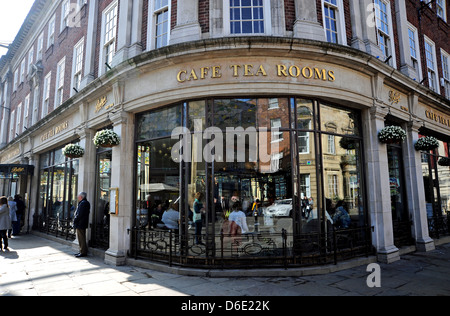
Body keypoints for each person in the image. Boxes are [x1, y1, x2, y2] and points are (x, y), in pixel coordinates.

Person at [73, 192, 90, 258]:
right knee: (81, 238)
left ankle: (83, 252)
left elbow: (79, 214)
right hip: (82, 223)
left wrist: (75, 220)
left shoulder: (83, 203)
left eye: (78, 196)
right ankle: (81, 251)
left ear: (81, 197)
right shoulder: (84, 203)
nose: (78, 197)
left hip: (81, 223)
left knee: (81, 238)